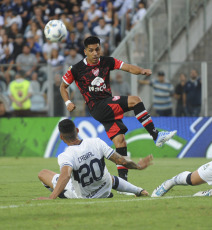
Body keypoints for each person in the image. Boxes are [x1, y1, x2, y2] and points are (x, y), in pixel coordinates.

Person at [60, 36, 176, 182]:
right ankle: (156, 135)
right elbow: (63, 86)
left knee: (120, 142)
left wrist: (141, 70)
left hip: (106, 106)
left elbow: (127, 67)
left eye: (97, 49)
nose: (95, 53)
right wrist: (67, 102)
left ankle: (123, 183)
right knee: (135, 100)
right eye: (91, 51)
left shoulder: (107, 61)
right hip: (98, 106)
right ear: (85, 52)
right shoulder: (77, 69)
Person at [37, 119, 153, 199]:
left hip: (82, 196)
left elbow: (66, 175)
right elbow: (121, 161)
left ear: (61, 137)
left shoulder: (65, 155)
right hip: (105, 189)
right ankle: (139, 190)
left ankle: (61, 193)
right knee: (108, 177)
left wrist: (51, 198)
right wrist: (138, 166)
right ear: (77, 131)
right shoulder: (96, 142)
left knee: (43, 173)